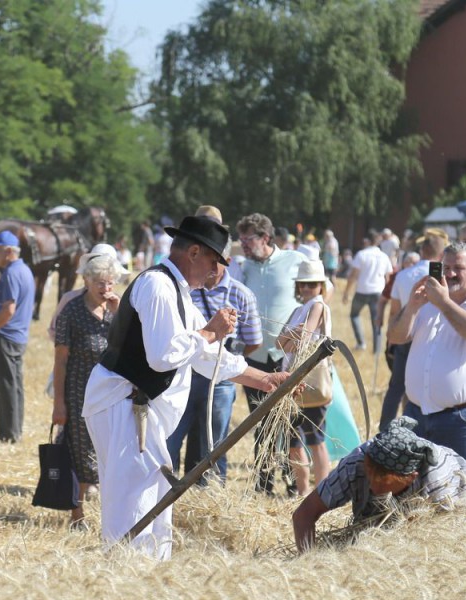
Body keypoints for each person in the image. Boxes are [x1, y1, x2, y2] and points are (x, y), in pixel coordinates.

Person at [82, 216, 289, 560]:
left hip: (137, 408)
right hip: (124, 404)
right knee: (133, 501)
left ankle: (149, 570)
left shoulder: (178, 293)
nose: (216, 271)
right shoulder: (157, 286)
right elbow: (163, 356)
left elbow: (207, 357)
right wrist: (210, 331)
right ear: (193, 253)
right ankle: (126, 573)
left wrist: (265, 380)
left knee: (154, 498)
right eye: (214, 261)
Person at [390, 243, 466, 474]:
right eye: (446, 268)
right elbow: (395, 336)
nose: (451, 274)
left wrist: (444, 303)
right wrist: (412, 306)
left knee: (459, 487)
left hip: (461, 419)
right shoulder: (427, 305)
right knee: (410, 486)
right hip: (416, 414)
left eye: (459, 268)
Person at [291, 417, 466, 552]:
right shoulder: (356, 463)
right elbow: (303, 515)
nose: (373, 487)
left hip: (454, 516)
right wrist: (310, 563)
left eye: (382, 483)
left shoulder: (438, 483)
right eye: (369, 476)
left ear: (410, 477)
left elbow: (449, 543)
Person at [166, 231, 261, 483]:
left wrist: (228, 360)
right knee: (171, 436)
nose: (211, 269)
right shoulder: (183, 290)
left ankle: (210, 489)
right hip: (186, 375)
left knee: (214, 442)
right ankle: (166, 487)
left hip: (221, 379)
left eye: (216, 262)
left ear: (226, 261)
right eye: (209, 260)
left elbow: (254, 340)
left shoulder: (241, 294)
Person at [237, 212, 307, 494]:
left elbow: (320, 291)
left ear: (265, 237)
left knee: (289, 423)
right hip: (255, 356)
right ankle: (263, 484)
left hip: (287, 358)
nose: (243, 245)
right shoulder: (243, 267)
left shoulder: (295, 260)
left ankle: (293, 483)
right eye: (240, 239)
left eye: (248, 240)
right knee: (260, 420)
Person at [53, 250, 120, 526]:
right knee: (80, 453)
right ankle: (77, 514)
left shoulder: (118, 311)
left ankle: (112, 516)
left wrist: (119, 314)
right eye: (100, 283)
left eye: (110, 283)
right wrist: (59, 403)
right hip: (79, 391)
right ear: (87, 282)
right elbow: (60, 360)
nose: (106, 288)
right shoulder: (72, 311)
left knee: (111, 453)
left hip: (113, 392)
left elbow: (133, 345)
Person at [380, 228, 448, 428]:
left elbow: (394, 311)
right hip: (432, 339)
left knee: (396, 387)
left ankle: (384, 429)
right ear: (441, 254)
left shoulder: (403, 275)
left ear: (422, 250)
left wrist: (391, 337)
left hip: (405, 335)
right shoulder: (444, 277)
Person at [277, 260, 332, 495]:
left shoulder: (318, 305)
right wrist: (291, 337)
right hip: (292, 381)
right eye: (303, 284)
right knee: (294, 442)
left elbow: (301, 340)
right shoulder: (299, 309)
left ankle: (322, 493)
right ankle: (302, 493)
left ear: (321, 286)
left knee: (314, 440)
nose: (307, 288)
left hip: (309, 380)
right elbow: (280, 344)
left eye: (312, 284)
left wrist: (290, 336)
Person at [0, 229, 34, 443]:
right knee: (13, 385)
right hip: (15, 336)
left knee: (4, 386)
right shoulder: (23, 270)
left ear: (8, 251)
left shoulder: (11, 273)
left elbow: (9, 309)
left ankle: (8, 434)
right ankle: (11, 432)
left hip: (5, 335)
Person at [343, 235, 391, 352]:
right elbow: (388, 278)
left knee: (354, 315)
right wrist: (388, 295)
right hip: (378, 291)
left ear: (367, 241)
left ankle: (361, 343)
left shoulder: (362, 254)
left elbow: (353, 275)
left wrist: (346, 292)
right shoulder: (384, 256)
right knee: (377, 321)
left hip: (362, 290)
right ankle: (377, 349)